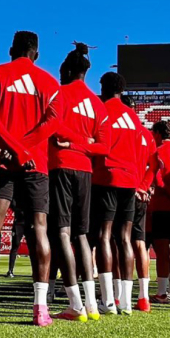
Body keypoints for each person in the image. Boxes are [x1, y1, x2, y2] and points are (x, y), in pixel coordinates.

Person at [0, 30, 60, 327]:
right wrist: (25, 149)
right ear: (37, 54)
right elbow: (53, 122)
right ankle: (40, 309)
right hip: (35, 164)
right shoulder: (48, 81)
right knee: (40, 230)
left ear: (11, 49)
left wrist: (12, 147)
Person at [46, 43, 109, 321]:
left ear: (68, 70)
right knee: (82, 235)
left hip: (60, 166)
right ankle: (92, 305)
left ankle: (75, 304)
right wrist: (85, 142)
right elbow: (103, 146)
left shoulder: (59, 94)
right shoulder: (97, 104)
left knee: (61, 232)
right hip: (85, 171)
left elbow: (53, 127)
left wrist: (70, 141)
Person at [90, 72, 140, 315]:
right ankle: (126, 302)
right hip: (130, 179)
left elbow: (98, 145)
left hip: (107, 175)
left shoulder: (102, 110)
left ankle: (108, 300)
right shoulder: (133, 116)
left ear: (103, 87)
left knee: (104, 235)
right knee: (125, 238)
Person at [148, 120, 170, 303]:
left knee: (162, 250)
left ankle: (162, 291)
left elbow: (159, 179)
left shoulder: (159, 151)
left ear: (158, 134)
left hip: (163, 205)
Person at [129, 107, 155, 312]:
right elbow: (154, 165)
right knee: (140, 243)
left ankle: (118, 294)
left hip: (123, 189)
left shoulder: (123, 129)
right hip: (141, 194)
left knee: (117, 240)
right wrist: (144, 186)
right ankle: (144, 297)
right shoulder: (147, 135)